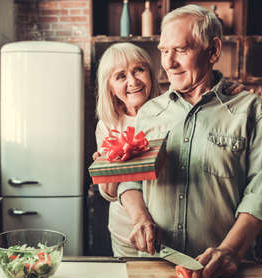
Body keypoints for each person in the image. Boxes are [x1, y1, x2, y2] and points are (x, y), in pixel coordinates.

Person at [116, 4, 262, 278]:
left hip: (226, 270)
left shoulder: (251, 111)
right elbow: (131, 178)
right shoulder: (149, 112)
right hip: (157, 265)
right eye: (164, 51)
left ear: (213, 51)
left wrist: (229, 250)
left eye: (181, 50)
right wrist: (140, 218)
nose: (168, 63)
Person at [93, 42, 246, 257]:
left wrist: (229, 92)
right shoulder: (108, 125)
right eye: (121, 76)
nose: (133, 81)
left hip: (173, 231)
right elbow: (109, 193)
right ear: (109, 86)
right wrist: (109, 174)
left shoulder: (174, 108)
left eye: (139, 70)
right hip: (125, 231)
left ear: (151, 73)